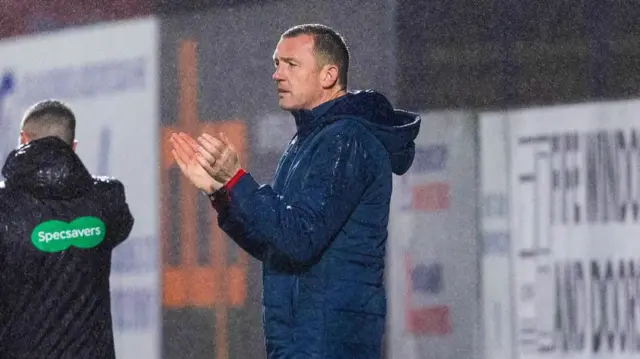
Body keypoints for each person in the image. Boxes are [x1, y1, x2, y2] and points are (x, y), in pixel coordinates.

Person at [171, 23, 421, 359]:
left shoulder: (345, 140)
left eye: (291, 64)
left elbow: (300, 240)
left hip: (328, 343)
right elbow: (275, 244)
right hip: (302, 340)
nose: (277, 74)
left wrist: (236, 179)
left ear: (328, 75)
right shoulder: (308, 140)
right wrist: (222, 193)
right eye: (276, 63)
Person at [0, 100, 134, 358]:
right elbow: (120, 225)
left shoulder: (5, 207)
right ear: (73, 147)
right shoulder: (107, 198)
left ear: (22, 139)